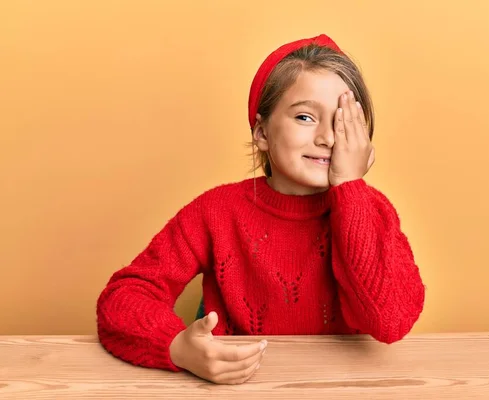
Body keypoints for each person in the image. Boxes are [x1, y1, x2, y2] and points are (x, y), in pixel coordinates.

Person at [96, 33, 425, 385]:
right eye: (304, 117)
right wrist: (176, 346)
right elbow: (122, 298)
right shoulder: (215, 212)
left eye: (343, 122)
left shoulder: (373, 210)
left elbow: (390, 321)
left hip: (341, 386)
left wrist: (350, 188)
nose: (328, 138)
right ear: (262, 132)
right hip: (242, 386)